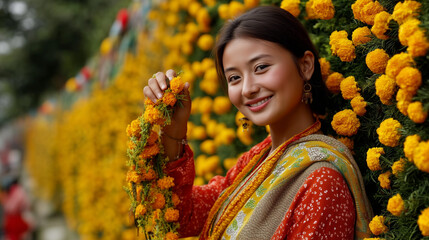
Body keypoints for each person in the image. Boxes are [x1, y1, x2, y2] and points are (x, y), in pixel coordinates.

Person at [143, 6, 373, 240]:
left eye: (261, 67)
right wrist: (174, 130)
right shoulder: (255, 162)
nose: (248, 88)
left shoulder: (322, 181)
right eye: (234, 78)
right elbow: (182, 218)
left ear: (305, 66)